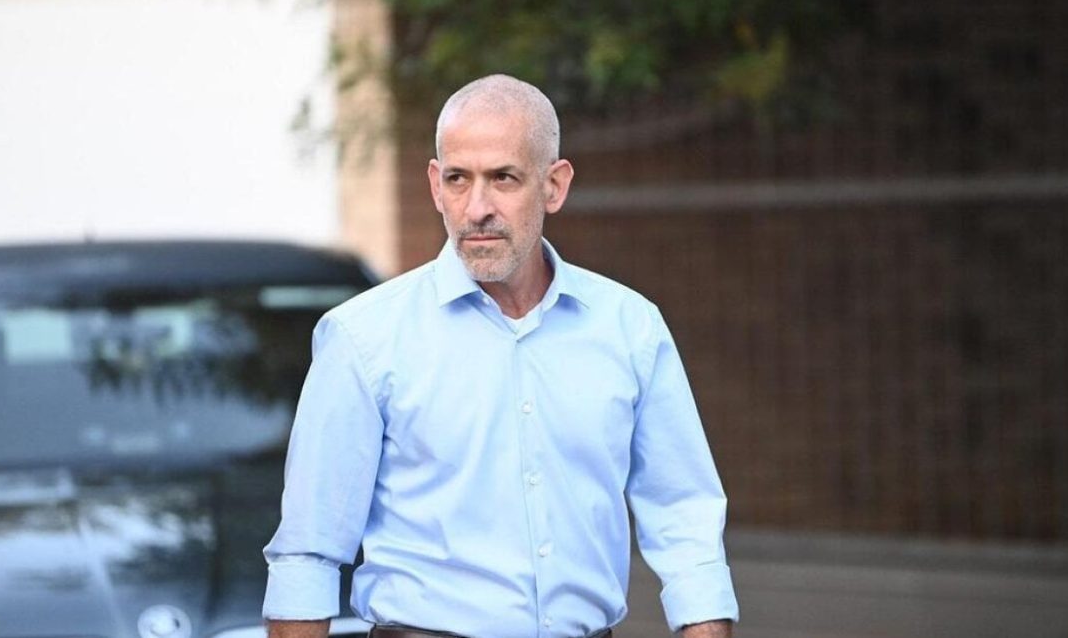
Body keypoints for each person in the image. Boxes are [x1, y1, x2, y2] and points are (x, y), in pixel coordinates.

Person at [262, 74, 738, 638]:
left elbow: (685, 523)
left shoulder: (629, 327)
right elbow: (308, 554)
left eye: (503, 178)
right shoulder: (364, 337)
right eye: (458, 179)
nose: (477, 208)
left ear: (554, 186)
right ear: (435, 186)